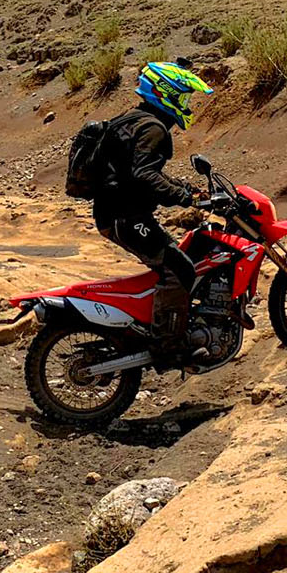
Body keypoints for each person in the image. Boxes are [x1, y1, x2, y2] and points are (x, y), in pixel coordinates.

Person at [92, 60, 215, 357]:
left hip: (118, 212)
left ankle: (164, 324)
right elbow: (144, 175)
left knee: (178, 259)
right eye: (182, 96)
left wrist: (186, 189)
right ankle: (167, 346)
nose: (185, 103)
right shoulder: (153, 127)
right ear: (165, 92)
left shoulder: (134, 118)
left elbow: (143, 171)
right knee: (180, 269)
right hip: (124, 217)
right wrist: (186, 198)